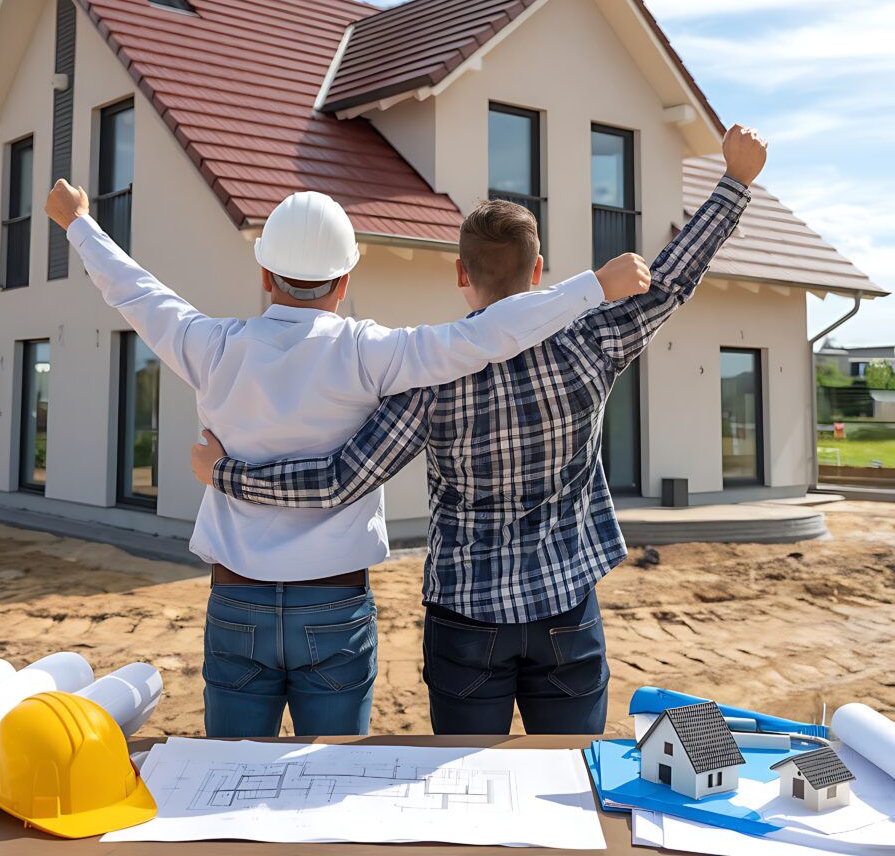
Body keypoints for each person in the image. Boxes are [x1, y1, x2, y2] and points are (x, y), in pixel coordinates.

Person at [190, 124, 768, 736]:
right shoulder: (591, 341)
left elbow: (339, 481)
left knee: (468, 796)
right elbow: (671, 280)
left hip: (464, 619)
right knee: (568, 782)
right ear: (539, 270)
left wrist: (227, 475)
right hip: (566, 605)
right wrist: (733, 182)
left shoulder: (430, 380)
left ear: (461, 275)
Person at [45, 182, 649, 739]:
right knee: (332, 787)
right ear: (344, 279)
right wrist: (593, 287)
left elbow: (134, 290)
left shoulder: (210, 347)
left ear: (264, 274)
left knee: (228, 777)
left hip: (237, 601)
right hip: (335, 605)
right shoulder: (373, 352)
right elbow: (489, 335)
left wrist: (79, 223)